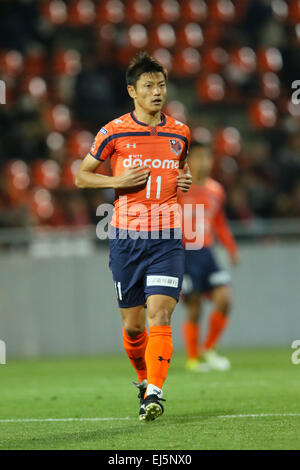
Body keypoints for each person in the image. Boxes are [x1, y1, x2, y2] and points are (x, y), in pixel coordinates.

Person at [75, 52, 191, 421]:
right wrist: (116, 181)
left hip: (167, 239)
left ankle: (154, 393)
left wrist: (183, 180)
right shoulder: (114, 132)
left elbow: (180, 170)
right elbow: (81, 176)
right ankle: (143, 379)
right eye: (148, 86)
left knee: (160, 313)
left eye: (161, 85)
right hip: (127, 239)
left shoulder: (179, 132)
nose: (157, 92)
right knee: (133, 324)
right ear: (132, 91)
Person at [178, 142, 239, 372]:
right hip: (184, 253)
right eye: (199, 157)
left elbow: (219, 223)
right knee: (194, 307)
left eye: (208, 157)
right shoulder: (179, 186)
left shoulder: (216, 190)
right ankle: (193, 360)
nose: (204, 162)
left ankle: (209, 347)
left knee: (225, 299)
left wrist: (231, 248)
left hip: (207, 252)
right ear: (189, 161)